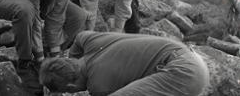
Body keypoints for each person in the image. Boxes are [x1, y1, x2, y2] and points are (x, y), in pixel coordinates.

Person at [39, 31, 210, 96]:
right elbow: (79, 37)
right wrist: (73, 58)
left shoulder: (99, 86)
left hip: (185, 74)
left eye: (70, 92)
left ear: (70, 87)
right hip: (190, 58)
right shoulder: (89, 41)